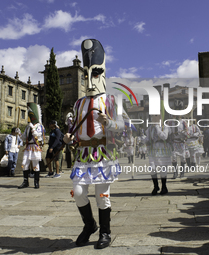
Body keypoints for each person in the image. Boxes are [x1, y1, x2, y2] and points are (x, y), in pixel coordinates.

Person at [63, 39, 124, 249]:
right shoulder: (79, 102)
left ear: (103, 74)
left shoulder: (111, 100)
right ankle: (90, 225)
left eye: (96, 74)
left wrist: (109, 122)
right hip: (83, 154)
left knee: (102, 195)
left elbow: (123, 127)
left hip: (103, 153)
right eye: (87, 75)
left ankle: (105, 232)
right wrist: (68, 137)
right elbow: (73, 128)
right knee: (78, 192)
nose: (90, 80)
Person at [144, 116, 173, 195]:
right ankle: (156, 186)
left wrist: (157, 127)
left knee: (162, 169)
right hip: (153, 150)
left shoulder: (165, 127)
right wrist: (144, 140)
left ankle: (164, 187)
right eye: (153, 117)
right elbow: (148, 138)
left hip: (163, 150)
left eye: (156, 117)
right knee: (152, 168)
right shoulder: (150, 128)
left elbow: (164, 136)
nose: (154, 119)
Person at [19, 103, 44, 189]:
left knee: (35, 164)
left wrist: (33, 128)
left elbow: (38, 135)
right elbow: (24, 137)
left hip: (35, 147)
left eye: (31, 115)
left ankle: (36, 182)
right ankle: (25, 181)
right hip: (28, 147)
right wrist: (20, 134)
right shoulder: (28, 127)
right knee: (24, 164)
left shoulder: (39, 126)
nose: (30, 118)